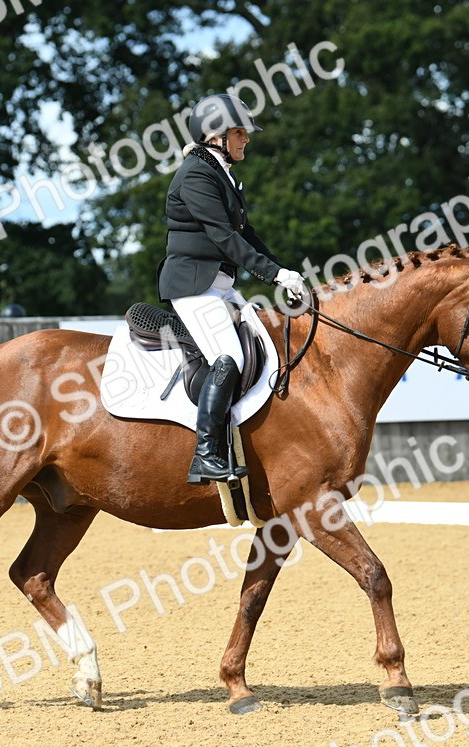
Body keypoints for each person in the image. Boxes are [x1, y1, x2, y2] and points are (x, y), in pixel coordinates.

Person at [158, 94, 307, 484]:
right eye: (240, 132)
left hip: (219, 285)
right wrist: (272, 276)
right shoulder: (195, 174)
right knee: (229, 357)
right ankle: (205, 454)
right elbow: (224, 237)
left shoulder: (219, 171)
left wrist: (283, 270)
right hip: (193, 286)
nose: (247, 139)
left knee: (269, 345)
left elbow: (247, 233)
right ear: (216, 135)